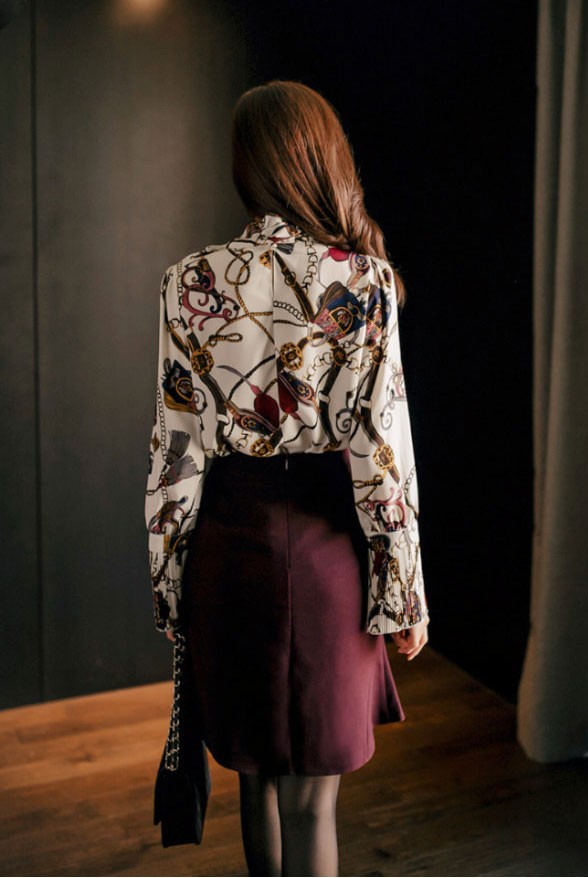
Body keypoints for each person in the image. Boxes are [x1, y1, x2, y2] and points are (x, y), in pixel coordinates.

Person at [144, 80, 430, 877]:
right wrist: (403, 593)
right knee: (312, 805)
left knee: (255, 777)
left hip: (228, 551)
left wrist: (169, 587)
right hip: (327, 554)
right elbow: (383, 455)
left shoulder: (187, 282)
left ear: (245, 166)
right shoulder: (365, 283)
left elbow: (175, 456)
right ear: (321, 158)